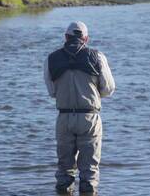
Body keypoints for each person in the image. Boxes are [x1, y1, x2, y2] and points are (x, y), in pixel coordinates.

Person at [44, 21, 116, 195]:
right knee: (89, 172)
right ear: (86, 38)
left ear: (66, 37)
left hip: (64, 118)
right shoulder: (97, 56)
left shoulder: (51, 59)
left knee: (64, 171)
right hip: (89, 118)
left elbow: (52, 92)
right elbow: (108, 89)